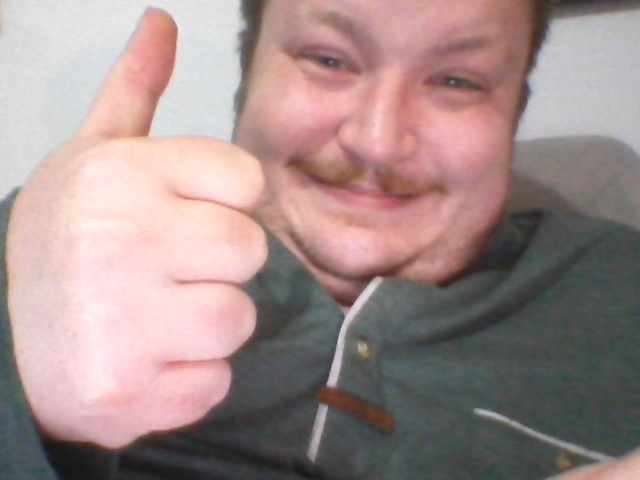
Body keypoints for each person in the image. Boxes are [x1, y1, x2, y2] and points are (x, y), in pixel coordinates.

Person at [1, 1, 639, 479]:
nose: (378, 141)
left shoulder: (621, 286)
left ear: (515, 108)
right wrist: (17, 386)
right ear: (249, 77)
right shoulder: (63, 248)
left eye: (457, 81)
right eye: (328, 60)